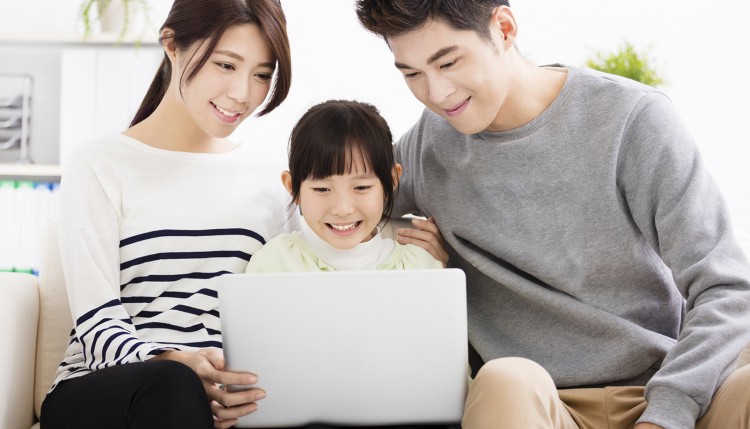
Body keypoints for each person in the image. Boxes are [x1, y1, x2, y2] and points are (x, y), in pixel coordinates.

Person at [355, 1, 750, 429]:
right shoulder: (426, 147)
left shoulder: (631, 120)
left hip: (665, 390)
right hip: (537, 405)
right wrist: (390, 238)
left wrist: (667, 413)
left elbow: (726, 288)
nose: (436, 93)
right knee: (506, 378)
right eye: (411, 73)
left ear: (504, 29)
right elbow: (339, 211)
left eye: (448, 62)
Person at [40, 1, 295, 428]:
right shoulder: (100, 164)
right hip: (115, 384)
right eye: (226, 65)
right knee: (174, 384)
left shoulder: (275, 180)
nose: (243, 93)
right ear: (172, 45)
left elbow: (296, 306)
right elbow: (98, 324)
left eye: (262, 74)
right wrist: (178, 362)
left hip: (227, 395)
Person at [246, 99, 443, 272]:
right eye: (322, 189)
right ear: (293, 187)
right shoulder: (273, 264)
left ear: (391, 181)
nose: (342, 209)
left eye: (361, 187)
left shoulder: (418, 267)